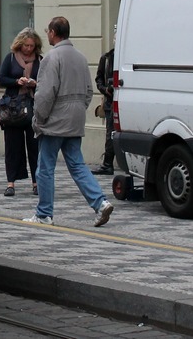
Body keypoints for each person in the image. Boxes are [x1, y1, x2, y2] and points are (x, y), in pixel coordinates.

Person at [24, 16, 115, 227]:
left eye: (48, 31)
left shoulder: (51, 58)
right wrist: (78, 109)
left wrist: (39, 118)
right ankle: (100, 203)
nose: (47, 35)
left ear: (53, 33)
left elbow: (45, 94)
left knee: (44, 168)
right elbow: (89, 91)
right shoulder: (81, 57)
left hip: (54, 123)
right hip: (75, 120)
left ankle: (44, 213)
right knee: (77, 165)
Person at [0, 27, 42, 196]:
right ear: (19, 44)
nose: (28, 49)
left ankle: (36, 183)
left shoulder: (40, 60)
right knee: (12, 146)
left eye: (31, 46)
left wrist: (34, 83)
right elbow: (1, 79)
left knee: (34, 146)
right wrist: (17, 81)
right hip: (13, 108)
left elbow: (45, 81)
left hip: (33, 107)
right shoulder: (10, 58)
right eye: (25, 45)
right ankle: (11, 183)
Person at [92, 27, 117, 175]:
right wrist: (105, 89)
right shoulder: (107, 58)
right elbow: (99, 79)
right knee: (110, 132)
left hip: (123, 101)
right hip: (110, 102)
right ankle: (108, 163)